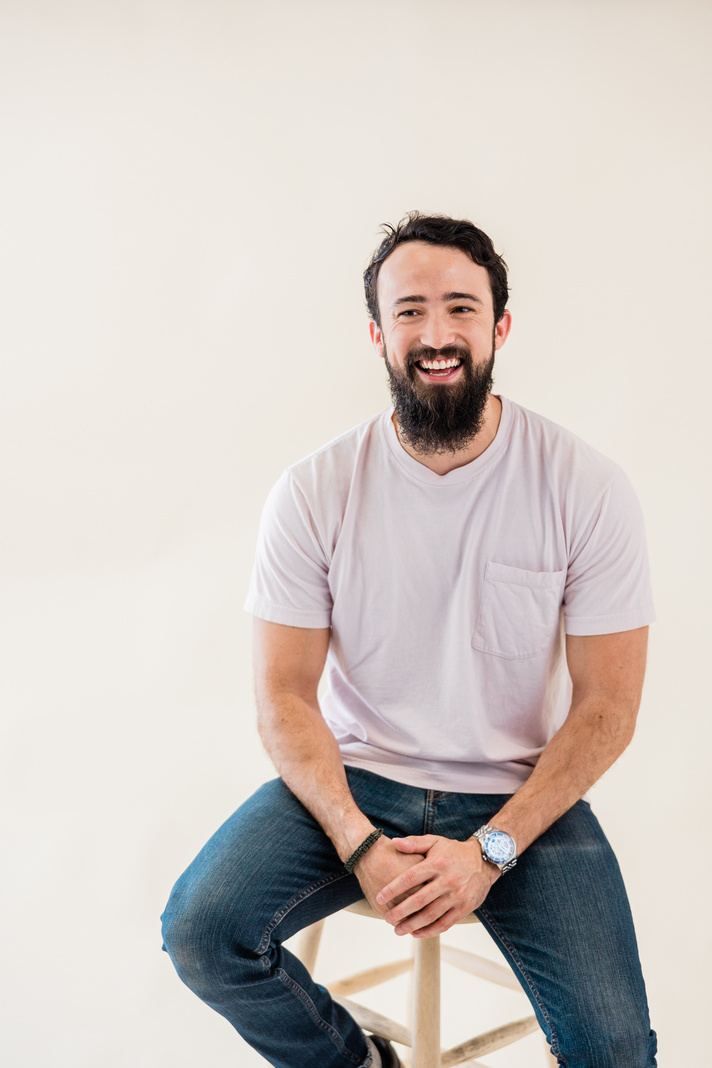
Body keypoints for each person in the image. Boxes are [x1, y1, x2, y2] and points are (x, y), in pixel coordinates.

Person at [161, 212, 658, 1068]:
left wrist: (489, 853)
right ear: (377, 334)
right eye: (411, 312)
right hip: (357, 784)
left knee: (616, 1054)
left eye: (461, 308)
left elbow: (609, 707)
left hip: (519, 800)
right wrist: (356, 840)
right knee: (201, 932)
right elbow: (282, 695)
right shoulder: (314, 491)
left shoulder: (586, 488)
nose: (437, 335)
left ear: (499, 326)